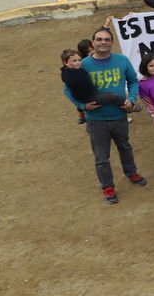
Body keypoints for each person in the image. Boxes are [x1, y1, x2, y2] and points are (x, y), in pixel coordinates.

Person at [63, 28, 147, 205]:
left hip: (119, 116)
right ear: (92, 43)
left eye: (107, 39)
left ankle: (131, 173)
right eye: (99, 39)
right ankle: (107, 187)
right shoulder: (82, 64)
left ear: (111, 43)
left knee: (125, 147)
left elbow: (133, 81)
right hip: (96, 120)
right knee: (101, 157)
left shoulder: (122, 61)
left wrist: (131, 100)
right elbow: (67, 89)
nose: (103, 42)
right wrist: (81, 106)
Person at [61, 49, 126, 124]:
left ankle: (81, 116)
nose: (78, 63)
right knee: (114, 97)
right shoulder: (78, 73)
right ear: (65, 62)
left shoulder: (65, 72)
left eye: (79, 60)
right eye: (74, 61)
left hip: (83, 97)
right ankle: (128, 107)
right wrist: (83, 105)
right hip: (90, 98)